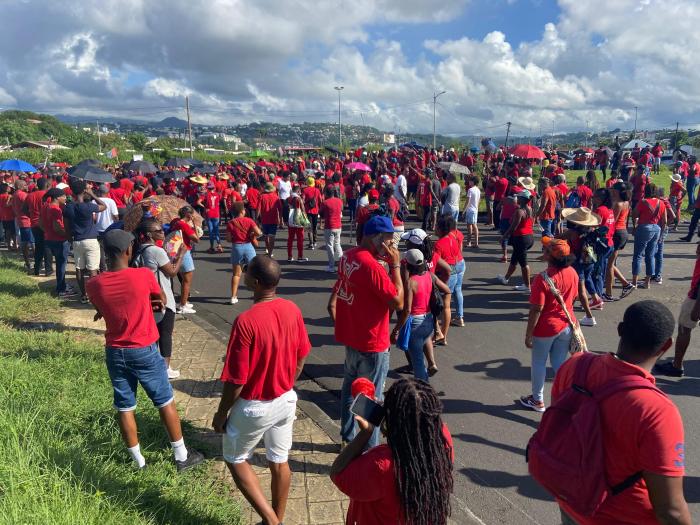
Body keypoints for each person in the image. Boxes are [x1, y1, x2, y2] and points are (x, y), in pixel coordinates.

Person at [553, 301, 690, 525]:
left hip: (573, 503)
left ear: (619, 330)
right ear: (666, 345)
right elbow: (670, 510)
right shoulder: (657, 411)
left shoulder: (575, 367)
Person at [86, 229, 204, 472]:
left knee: (125, 405)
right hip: (144, 348)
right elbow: (159, 298)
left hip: (115, 351)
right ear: (129, 250)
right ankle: (181, 455)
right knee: (164, 400)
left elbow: (102, 306)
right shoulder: (142, 276)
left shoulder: (94, 284)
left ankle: (138, 462)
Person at [212, 255, 310, 525]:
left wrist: (222, 413)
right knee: (279, 461)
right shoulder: (292, 309)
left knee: (235, 457)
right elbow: (302, 356)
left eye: (246, 272)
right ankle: (275, 518)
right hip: (286, 399)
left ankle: (272, 521)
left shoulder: (246, 321)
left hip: (255, 404)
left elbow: (236, 379)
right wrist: (287, 381)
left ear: (254, 282)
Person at [330, 378, 453, 525]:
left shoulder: (381, 465)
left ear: (393, 421)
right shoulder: (442, 439)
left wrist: (365, 433)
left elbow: (337, 473)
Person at [330, 215, 403, 448]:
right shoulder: (373, 267)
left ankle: (347, 437)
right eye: (390, 241)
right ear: (377, 239)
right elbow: (398, 302)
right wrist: (395, 265)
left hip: (352, 337)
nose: (392, 247)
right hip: (372, 342)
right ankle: (369, 448)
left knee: (350, 390)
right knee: (370, 398)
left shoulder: (347, 257)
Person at [521, 237, 577, 412]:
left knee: (538, 362)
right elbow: (574, 297)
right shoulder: (573, 273)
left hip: (546, 327)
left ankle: (537, 400)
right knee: (559, 363)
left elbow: (536, 309)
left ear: (550, 256)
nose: (542, 251)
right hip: (566, 324)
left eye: (545, 249)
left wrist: (529, 334)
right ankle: (564, 398)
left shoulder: (542, 279)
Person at [132, 219, 187, 379]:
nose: (163, 233)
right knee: (165, 333)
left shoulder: (140, 249)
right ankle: (165, 368)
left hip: (148, 296)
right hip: (161, 297)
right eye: (159, 231)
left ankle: (153, 364)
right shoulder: (155, 251)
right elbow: (172, 272)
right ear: (149, 234)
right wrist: (181, 254)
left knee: (153, 332)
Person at [391, 249, 449, 381]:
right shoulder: (430, 275)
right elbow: (447, 289)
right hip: (428, 320)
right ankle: (430, 367)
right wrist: (444, 304)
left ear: (408, 265)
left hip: (415, 323)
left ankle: (424, 390)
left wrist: (396, 330)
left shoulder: (410, 282)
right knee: (423, 344)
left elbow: (407, 310)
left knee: (417, 362)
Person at [654, 242, 700, 377]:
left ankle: (677, 365)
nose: (697, 249)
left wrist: (697, 307)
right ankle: (676, 364)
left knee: (684, 329)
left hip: (695, 296)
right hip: (695, 293)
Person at [63, 180, 107, 303]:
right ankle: (95, 296)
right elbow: (104, 206)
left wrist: (69, 239)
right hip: (91, 240)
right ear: (84, 191)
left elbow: (66, 227)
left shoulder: (68, 207)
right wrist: (92, 194)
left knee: (79, 269)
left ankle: (84, 295)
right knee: (93, 270)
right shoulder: (88, 206)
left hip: (77, 240)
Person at [41, 188, 76, 298]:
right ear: (57, 198)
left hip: (48, 238)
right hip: (59, 240)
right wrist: (67, 236)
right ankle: (61, 289)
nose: (65, 198)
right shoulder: (55, 209)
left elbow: (40, 223)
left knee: (60, 264)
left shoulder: (45, 206)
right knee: (61, 265)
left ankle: (62, 285)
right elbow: (57, 227)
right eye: (64, 196)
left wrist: (47, 231)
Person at [631, 183, 666, 290]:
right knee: (650, 256)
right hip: (656, 229)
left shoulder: (643, 202)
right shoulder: (661, 203)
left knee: (637, 255)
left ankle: (634, 282)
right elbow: (664, 221)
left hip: (644, 228)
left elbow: (634, 214)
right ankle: (647, 282)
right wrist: (661, 233)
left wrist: (635, 226)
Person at [498, 190, 535, 291]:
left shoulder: (519, 211)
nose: (516, 198)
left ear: (522, 199)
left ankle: (527, 286)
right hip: (528, 237)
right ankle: (506, 278)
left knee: (523, 263)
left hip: (521, 239)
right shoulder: (529, 209)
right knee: (514, 259)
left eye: (518, 197)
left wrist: (503, 237)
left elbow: (513, 227)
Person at [226, 201, 261, 305]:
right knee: (254, 272)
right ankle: (257, 294)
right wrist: (251, 235)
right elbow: (258, 232)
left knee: (236, 274)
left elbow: (228, 239)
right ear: (242, 211)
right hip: (248, 246)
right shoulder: (249, 221)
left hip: (237, 247)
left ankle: (233, 296)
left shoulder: (231, 223)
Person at [435, 214, 466, 331]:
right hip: (460, 262)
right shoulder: (456, 235)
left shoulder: (439, 244)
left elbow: (437, 261)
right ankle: (459, 317)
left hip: (449, 268)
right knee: (457, 290)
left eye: (437, 225)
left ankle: (439, 324)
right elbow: (460, 250)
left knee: (443, 299)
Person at [606, 182, 635, 300]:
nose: (611, 191)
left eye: (613, 189)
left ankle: (608, 293)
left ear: (617, 191)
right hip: (622, 231)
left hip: (616, 233)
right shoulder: (626, 202)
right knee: (610, 263)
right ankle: (626, 284)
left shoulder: (617, 204)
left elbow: (613, 221)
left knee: (609, 265)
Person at [169, 206, 200, 314]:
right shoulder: (183, 224)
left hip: (177, 251)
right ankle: (182, 305)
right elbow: (196, 239)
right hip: (184, 252)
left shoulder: (177, 222)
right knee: (187, 280)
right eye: (192, 214)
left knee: (184, 279)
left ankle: (184, 301)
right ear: (188, 215)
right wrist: (195, 224)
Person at [26, 177, 52, 276]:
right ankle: (48, 270)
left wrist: (31, 216)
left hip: (34, 224)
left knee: (38, 246)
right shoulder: (48, 196)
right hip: (46, 224)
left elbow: (24, 209)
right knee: (47, 246)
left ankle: (36, 269)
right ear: (46, 185)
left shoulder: (30, 195)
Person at [94, 184, 119, 272]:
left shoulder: (94, 201)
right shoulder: (111, 201)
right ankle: (111, 267)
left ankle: (103, 269)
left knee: (100, 250)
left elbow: (94, 218)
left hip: (98, 229)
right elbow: (115, 216)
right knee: (111, 249)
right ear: (107, 192)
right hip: (110, 229)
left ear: (99, 192)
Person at [319, 185, 343, 273]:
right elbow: (341, 210)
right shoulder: (339, 201)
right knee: (337, 244)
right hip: (338, 226)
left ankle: (331, 266)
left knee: (330, 246)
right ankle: (342, 264)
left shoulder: (325, 202)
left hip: (329, 226)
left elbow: (321, 213)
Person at [12, 180, 33, 273]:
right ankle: (32, 263)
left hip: (21, 220)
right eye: (25, 185)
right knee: (31, 242)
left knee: (25, 242)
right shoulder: (22, 195)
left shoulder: (15, 194)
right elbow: (30, 206)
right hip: (26, 220)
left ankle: (27, 262)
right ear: (20, 186)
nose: (27, 186)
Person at [258, 182, 282, 257]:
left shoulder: (262, 196)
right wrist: (281, 220)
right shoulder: (276, 197)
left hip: (264, 219)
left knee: (266, 236)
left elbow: (258, 209)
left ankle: (268, 249)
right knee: (272, 237)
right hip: (273, 219)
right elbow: (280, 209)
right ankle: (270, 252)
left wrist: (256, 219)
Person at [286, 184, 308, 262]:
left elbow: (285, 209)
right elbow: (303, 210)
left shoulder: (288, 198)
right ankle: (300, 257)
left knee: (290, 239)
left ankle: (289, 256)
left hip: (290, 220)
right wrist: (306, 221)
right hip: (298, 220)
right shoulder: (299, 199)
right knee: (300, 239)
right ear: (298, 190)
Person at [203, 182, 223, 254]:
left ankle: (212, 247)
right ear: (213, 188)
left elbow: (198, 202)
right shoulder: (218, 194)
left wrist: (205, 207)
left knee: (211, 231)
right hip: (216, 213)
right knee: (216, 230)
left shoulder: (206, 195)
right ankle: (219, 245)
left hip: (209, 214)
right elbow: (219, 202)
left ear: (208, 188)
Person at [302, 176, 321, 249]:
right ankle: (315, 241)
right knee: (315, 226)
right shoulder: (317, 190)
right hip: (316, 210)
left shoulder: (305, 190)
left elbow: (303, 200)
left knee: (308, 227)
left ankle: (311, 243)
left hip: (307, 210)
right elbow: (320, 200)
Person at [463, 175, 480, 248]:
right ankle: (476, 242)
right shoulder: (478, 190)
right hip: (475, 210)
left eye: (470, 180)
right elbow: (478, 201)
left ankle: (469, 242)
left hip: (470, 210)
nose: (469, 181)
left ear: (473, 182)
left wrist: (464, 211)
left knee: (470, 227)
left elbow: (467, 201)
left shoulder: (470, 190)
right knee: (474, 226)